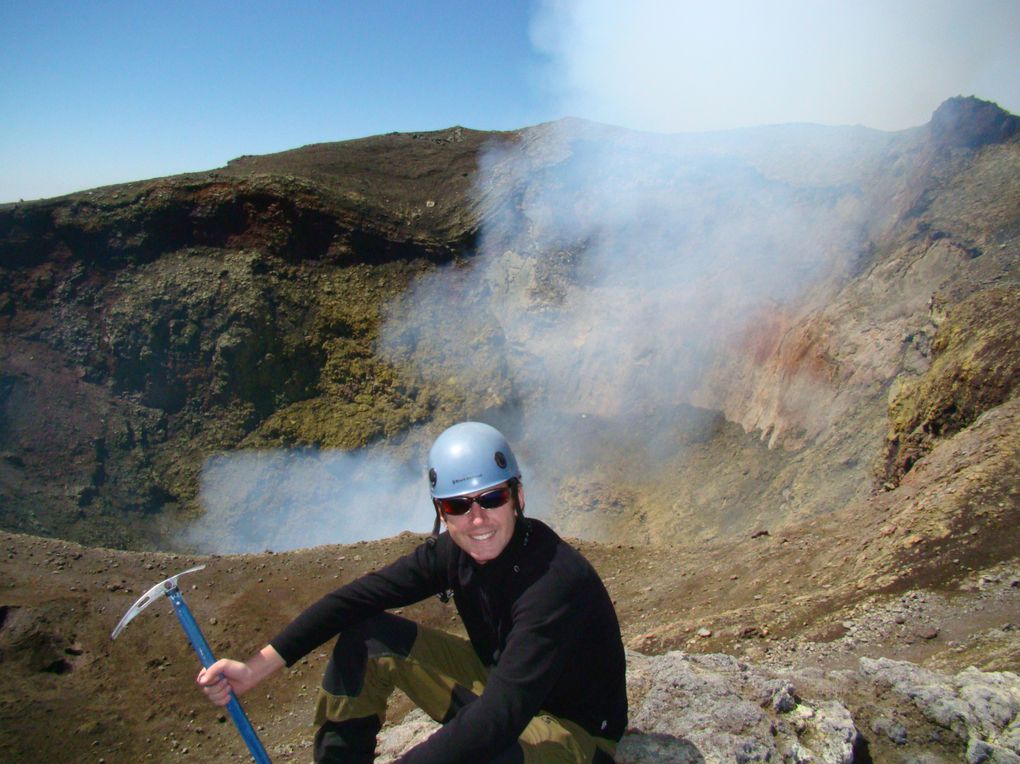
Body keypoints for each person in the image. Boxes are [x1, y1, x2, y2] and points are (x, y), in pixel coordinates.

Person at [197, 421, 628, 763]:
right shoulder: (454, 553)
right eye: (458, 505)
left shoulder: (554, 582)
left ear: (517, 496)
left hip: (576, 736)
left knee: (486, 753)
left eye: (491, 498)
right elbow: (355, 599)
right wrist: (255, 668)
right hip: (500, 688)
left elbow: (500, 717)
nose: (477, 519)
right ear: (442, 512)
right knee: (368, 640)